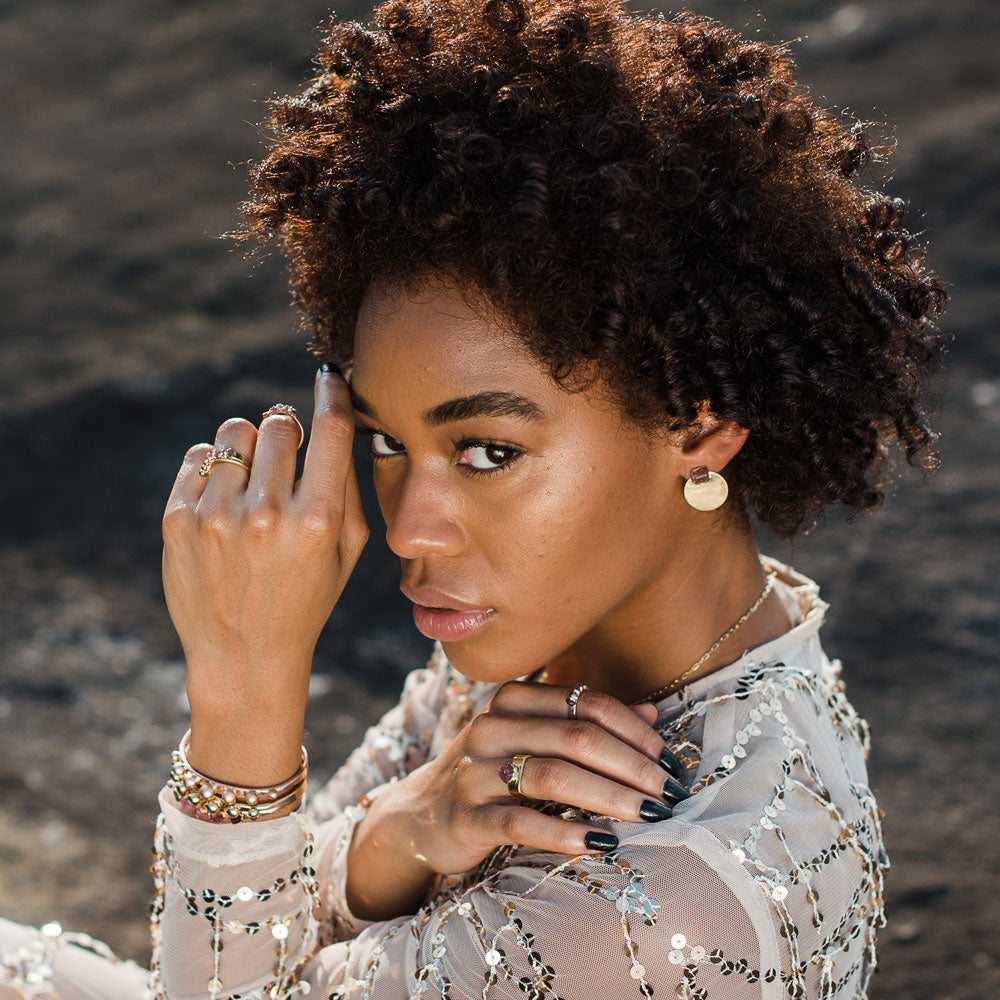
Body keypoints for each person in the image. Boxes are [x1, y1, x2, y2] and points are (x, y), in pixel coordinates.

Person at [1, 1, 948, 997]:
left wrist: (244, 698)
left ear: (699, 423)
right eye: (386, 441)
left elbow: (227, 962)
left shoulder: (669, 906)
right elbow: (266, 937)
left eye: (488, 450)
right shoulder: (559, 631)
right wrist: (400, 831)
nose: (411, 529)